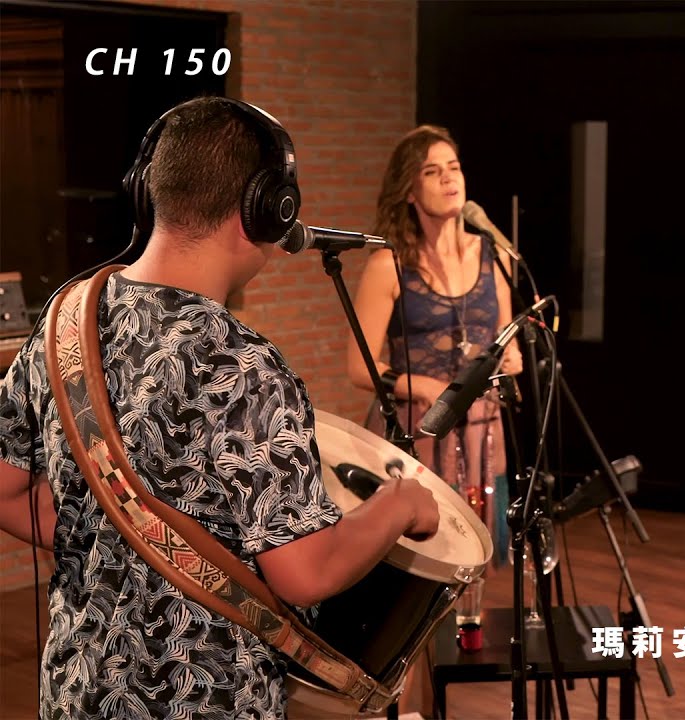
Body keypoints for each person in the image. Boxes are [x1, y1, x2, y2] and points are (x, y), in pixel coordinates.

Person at [0, 96, 440, 719]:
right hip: (208, 701)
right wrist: (398, 504)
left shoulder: (66, 318)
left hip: (77, 693)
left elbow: (5, 492)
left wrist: (108, 534)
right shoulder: (245, 366)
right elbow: (306, 573)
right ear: (263, 211)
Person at [348, 125, 521, 563]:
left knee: (477, 554)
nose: (449, 178)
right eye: (432, 171)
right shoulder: (388, 265)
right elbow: (359, 366)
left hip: (482, 429)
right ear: (409, 191)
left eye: (454, 167)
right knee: (426, 558)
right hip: (418, 430)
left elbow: (506, 337)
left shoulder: (494, 255)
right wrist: (423, 386)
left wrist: (513, 356)